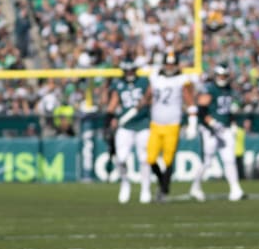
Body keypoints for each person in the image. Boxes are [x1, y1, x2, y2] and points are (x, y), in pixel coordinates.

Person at [188, 64, 245, 202]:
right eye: (220, 75)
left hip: (224, 128)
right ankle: (195, 186)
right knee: (207, 161)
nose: (222, 78)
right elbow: (201, 110)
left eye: (224, 75)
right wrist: (212, 123)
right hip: (210, 129)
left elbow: (230, 110)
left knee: (229, 159)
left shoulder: (229, 89)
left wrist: (232, 123)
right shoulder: (210, 89)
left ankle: (235, 188)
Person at [144, 50, 194, 202]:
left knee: (168, 160)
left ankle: (163, 190)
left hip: (173, 124)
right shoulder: (155, 78)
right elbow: (147, 96)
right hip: (156, 124)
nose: (170, 67)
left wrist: (192, 123)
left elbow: (189, 100)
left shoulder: (181, 79)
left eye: (172, 64)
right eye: (168, 63)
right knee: (151, 158)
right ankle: (163, 183)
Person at [105, 59, 151, 204]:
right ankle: (125, 183)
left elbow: (149, 98)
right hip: (125, 125)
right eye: (127, 71)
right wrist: (111, 118)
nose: (130, 73)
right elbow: (112, 103)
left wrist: (141, 105)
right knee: (121, 158)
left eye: (132, 70)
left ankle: (145, 188)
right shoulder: (118, 84)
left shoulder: (143, 82)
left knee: (144, 159)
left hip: (143, 123)